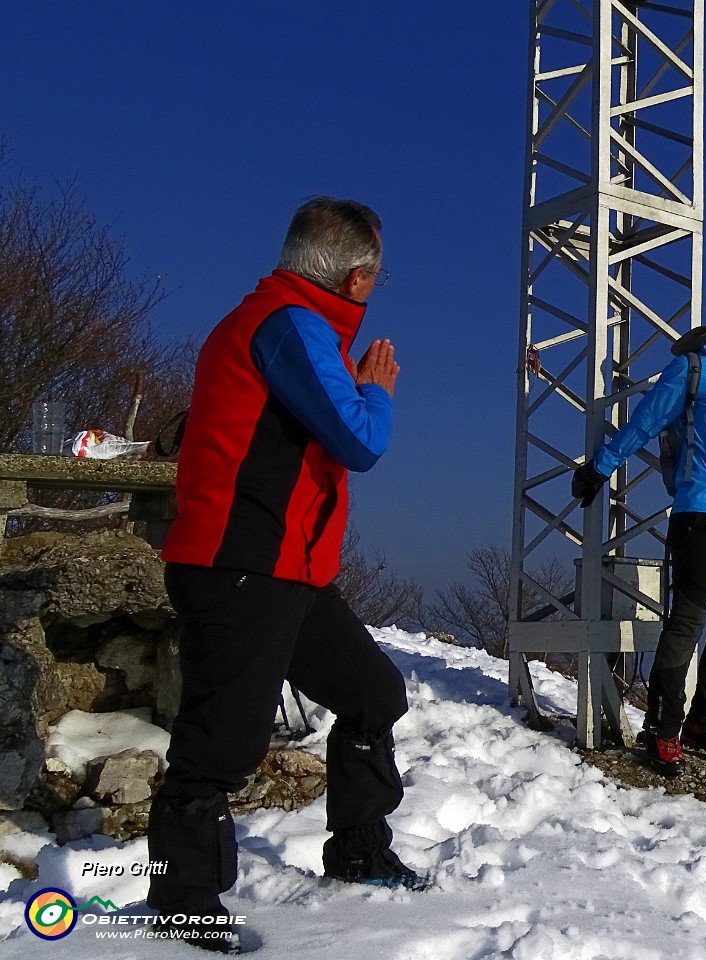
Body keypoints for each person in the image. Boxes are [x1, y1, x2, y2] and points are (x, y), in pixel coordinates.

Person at [148, 197, 421, 954]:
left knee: (372, 694)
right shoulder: (290, 325)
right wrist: (377, 392)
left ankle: (358, 848)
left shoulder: (288, 322)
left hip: (287, 568)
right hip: (240, 562)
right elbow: (359, 439)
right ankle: (180, 902)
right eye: (379, 271)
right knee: (222, 743)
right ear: (358, 277)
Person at [572, 265, 706, 778]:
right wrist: (600, 467)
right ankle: (663, 728)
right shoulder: (692, 367)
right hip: (702, 508)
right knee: (687, 620)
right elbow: (646, 422)